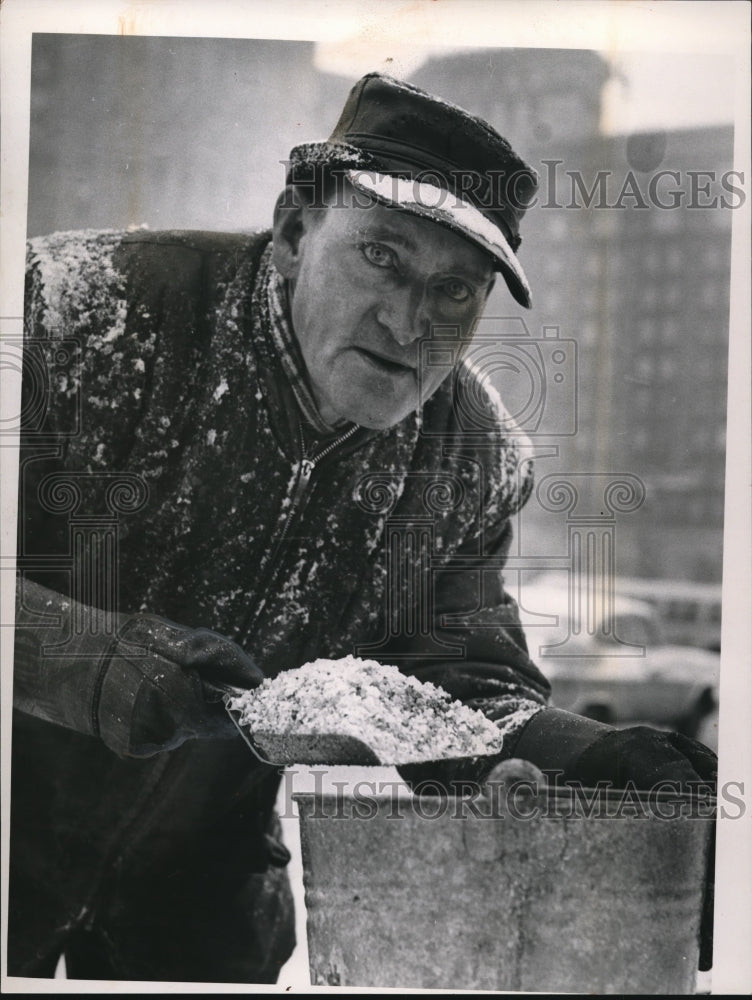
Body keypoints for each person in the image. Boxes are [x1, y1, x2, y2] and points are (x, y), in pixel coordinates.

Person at [9, 72, 716, 983]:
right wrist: (93, 663)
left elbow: (458, 687)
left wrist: (594, 758)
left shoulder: (471, 454)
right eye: (382, 256)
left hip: (197, 900)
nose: (409, 321)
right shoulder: (72, 313)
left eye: (455, 291)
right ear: (297, 231)